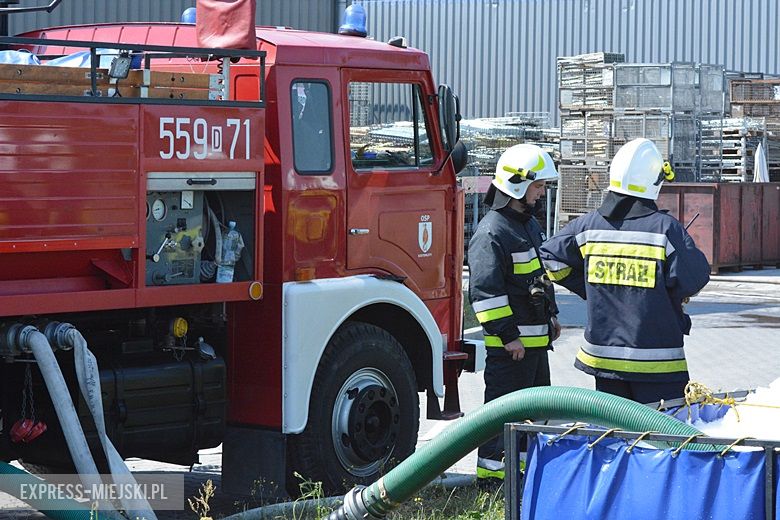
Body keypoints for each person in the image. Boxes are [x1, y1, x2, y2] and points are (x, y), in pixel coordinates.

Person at [539, 138, 710, 404]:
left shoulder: (586, 227)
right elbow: (695, 279)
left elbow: (550, 257)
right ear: (655, 181)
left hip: (604, 360)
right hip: (657, 363)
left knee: (616, 435)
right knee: (661, 437)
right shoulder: (666, 230)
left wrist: (590, 288)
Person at [468, 144, 561, 483]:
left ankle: (523, 480)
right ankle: (493, 482)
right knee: (502, 417)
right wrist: (509, 337)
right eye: (538, 187)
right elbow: (484, 292)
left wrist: (552, 314)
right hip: (512, 350)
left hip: (534, 346)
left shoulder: (526, 225)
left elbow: (539, 277)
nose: (542, 193)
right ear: (518, 186)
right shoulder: (492, 232)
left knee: (534, 416)